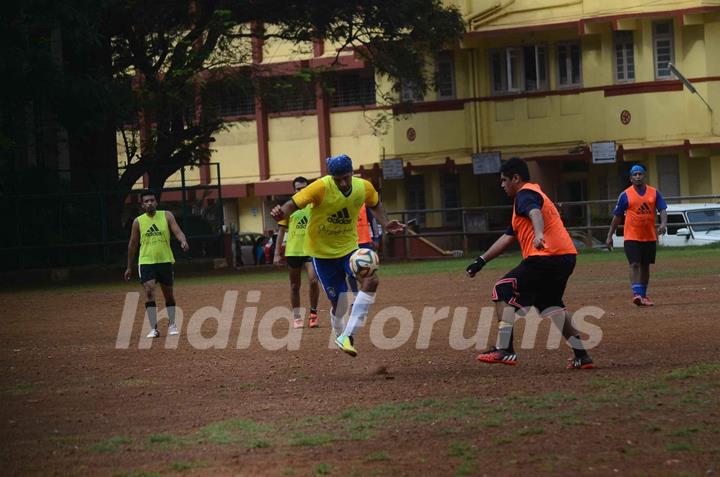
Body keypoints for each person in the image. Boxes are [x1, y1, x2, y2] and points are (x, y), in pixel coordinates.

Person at [465, 157, 595, 369]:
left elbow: (535, 212)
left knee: (502, 290)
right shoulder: (530, 196)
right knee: (552, 304)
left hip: (546, 256)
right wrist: (481, 261)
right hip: (565, 257)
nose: (502, 185)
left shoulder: (525, 194)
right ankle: (582, 355)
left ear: (516, 178)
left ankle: (505, 349)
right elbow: (508, 237)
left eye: (504, 180)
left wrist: (539, 234)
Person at [270, 154, 405, 357]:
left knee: (371, 280)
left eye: (346, 177)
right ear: (331, 176)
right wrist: (281, 213)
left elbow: (374, 203)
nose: (342, 183)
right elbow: (293, 204)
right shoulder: (320, 187)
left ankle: (348, 336)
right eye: (337, 178)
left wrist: (385, 223)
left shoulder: (363, 187)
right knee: (340, 305)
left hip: (349, 250)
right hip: (321, 254)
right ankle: (340, 333)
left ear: (352, 173)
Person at [124, 190, 189, 338]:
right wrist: (129, 266)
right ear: (142, 205)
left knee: (169, 295)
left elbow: (178, 231)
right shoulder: (138, 222)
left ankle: (172, 324)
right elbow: (132, 245)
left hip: (165, 260)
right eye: (146, 201)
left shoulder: (166, 215)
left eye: (152, 200)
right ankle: (153, 328)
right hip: (146, 261)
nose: (150, 203)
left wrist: (183, 241)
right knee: (149, 291)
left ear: (156, 202)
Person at [605, 165, 667, 306]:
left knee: (645, 266)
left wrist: (663, 223)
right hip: (632, 236)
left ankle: (644, 296)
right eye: (635, 174)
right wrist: (610, 236)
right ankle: (637, 294)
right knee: (634, 264)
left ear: (644, 176)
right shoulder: (625, 195)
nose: (638, 176)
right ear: (631, 178)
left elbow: (662, 209)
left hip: (649, 236)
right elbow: (617, 217)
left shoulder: (654, 193)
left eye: (640, 174)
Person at [274, 176, 321, 329]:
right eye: (298, 188)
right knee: (295, 286)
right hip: (293, 251)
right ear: (294, 190)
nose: (301, 191)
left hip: (311, 249)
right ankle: (296, 317)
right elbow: (281, 232)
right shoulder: (288, 208)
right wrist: (276, 253)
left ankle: (313, 314)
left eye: (304, 188)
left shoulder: (314, 204)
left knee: (314, 280)